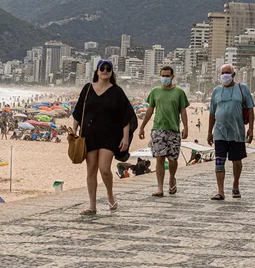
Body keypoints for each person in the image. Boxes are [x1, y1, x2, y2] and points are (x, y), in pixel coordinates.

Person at [72, 59, 133, 215]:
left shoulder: (117, 92)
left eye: (108, 68)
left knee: (104, 169)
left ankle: (110, 196)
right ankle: (92, 206)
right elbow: (78, 112)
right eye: (102, 68)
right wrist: (74, 131)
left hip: (110, 136)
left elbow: (125, 116)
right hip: (89, 135)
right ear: (97, 71)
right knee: (91, 170)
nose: (105, 70)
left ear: (111, 72)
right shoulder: (87, 89)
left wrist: (125, 138)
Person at [138, 66, 190, 197]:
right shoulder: (155, 91)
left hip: (174, 130)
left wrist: (186, 127)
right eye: (163, 75)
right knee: (159, 158)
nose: (165, 78)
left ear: (172, 77)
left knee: (173, 159)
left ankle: (172, 178)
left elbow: (183, 111)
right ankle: (160, 187)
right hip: (158, 129)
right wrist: (142, 126)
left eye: (167, 76)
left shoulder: (179, 92)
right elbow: (149, 110)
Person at [207, 64, 254, 200]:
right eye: (222, 73)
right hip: (220, 132)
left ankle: (235, 184)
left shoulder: (242, 88)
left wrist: (250, 129)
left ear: (233, 74)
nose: (225, 75)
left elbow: (250, 110)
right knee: (219, 161)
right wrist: (209, 132)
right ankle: (220, 191)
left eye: (227, 72)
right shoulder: (216, 91)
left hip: (237, 132)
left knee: (236, 161)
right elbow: (212, 113)